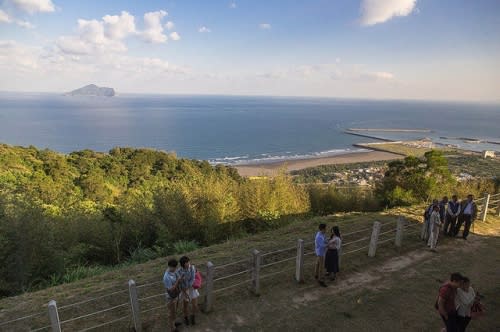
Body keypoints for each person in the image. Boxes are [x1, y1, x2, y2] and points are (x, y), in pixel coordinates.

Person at [163, 258, 183, 332]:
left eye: (176, 267)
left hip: (175, 295)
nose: (175, 269)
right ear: (170, 266)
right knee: (171, 313)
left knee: (174, 311)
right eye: (174, 267)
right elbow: (170, 289)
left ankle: (174, 323)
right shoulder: (166, 277)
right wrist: (178, 281)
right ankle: (172, 328)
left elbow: (177, 277)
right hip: (170, 297)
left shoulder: (174, 271)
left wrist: (180, 279)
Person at [177, 256, 199, 326]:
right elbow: (179, 282)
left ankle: (193, 316)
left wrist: (188, 287)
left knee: (195, 305)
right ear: (183, 264)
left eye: (189, 261)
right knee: (185, 305)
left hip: (191, 288)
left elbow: (193, 278)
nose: (189, 263)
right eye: (187, 262)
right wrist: (184, 289)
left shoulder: (192, 267)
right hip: (184, 290)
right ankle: (186, 317)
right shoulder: (179, 271)